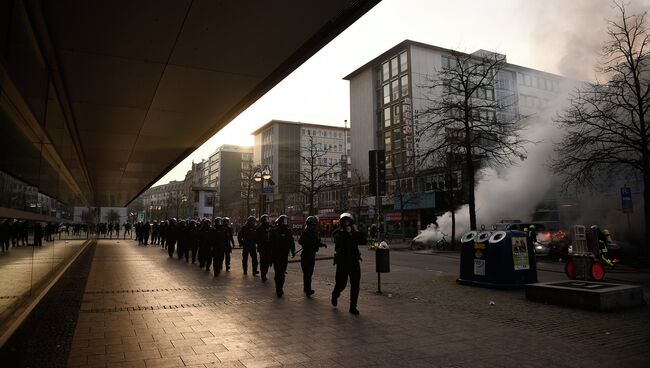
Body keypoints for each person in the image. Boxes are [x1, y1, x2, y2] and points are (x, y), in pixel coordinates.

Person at [331, 212, 366, 315]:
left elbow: (363, 241)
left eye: (348, 221)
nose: (347, 223)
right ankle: (335, 294)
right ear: (342, 223)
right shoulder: (338, 233)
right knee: (341, 283)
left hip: (354, 262)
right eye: (345, 221)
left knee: (355, 284)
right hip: (342, 262)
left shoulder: (354, 232)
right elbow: (339, 243)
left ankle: (353, 306)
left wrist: (354, 232)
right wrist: (347, 234)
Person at [299, 216, 326, 296]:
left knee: (309, 273)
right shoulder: (306, 232)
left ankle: (306, 288)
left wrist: (321, 244)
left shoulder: (314, 232)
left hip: (311, 255)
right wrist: (311, 243)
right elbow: (301, 241)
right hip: (306, 255)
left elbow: (316, 242)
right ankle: (308, 289)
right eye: (314, 224)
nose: (314, 226)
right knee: (307, 273)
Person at [271, 215, 295, 297]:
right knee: (278, 272)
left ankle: (280, 287)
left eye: (286, 221)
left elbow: (291, 241)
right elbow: (271, 244)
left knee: (282, 272)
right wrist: (270, 257)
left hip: (284, 255)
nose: (285, 223)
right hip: (276, 255)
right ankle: (279, 288)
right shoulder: (274, 231)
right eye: (283, 221)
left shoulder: (288, 231)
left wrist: (293, 250)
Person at [256, 215, 273, 282]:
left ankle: (265, 272)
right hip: (262, 248)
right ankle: (263, 275)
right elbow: (256, 238)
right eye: (265, 220)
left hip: (269, 248)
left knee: (268, 261)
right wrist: (262, 241)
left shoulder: (271, 228)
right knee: (263, 262)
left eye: (267, 219)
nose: (267, 221)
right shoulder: (259, 229)